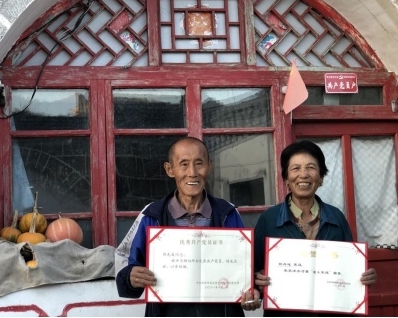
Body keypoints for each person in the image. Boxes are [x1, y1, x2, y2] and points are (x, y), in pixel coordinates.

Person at [241, 141, 377, 316]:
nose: (303, 175)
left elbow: (350, 267)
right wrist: (256, 283)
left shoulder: (337, 218)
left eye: (311, 168)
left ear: (321, 178)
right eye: (295, 168)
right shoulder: (269, 219)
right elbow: (253, 271)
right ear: (286, 179)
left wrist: (364, 277)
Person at [116, 136, 247, 317]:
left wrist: (251, 290)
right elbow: (128, 267)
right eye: (184, 164)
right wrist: (131, 277)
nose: (192, 172)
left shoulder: (228, 213)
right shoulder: (151, 215)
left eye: (199, 163)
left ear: (209, 166)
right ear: (170, 169)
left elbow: (244, 269)